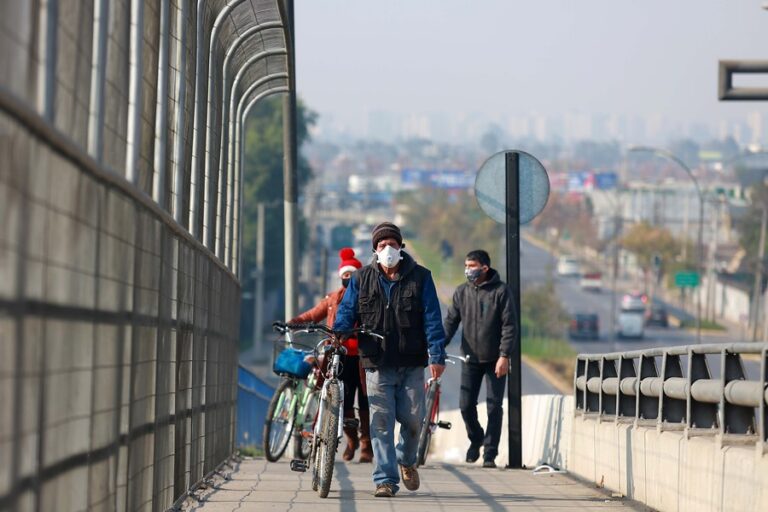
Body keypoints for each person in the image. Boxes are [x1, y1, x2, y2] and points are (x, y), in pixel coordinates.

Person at [334, 222, 446, 498]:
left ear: (401, 247)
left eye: (392, 245)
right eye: (382, 245)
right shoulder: (361, 279)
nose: (387, 249)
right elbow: (347, 311)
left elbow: (432, 317)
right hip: (376, 363)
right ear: (374, 249)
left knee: (412, 421)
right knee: (380, 423)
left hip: (411, 363)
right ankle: (385, 479)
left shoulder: (421, 277)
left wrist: (437, 354)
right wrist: (339, 333)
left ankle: (406, 460)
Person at [289, 248, 373, 463]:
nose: (348, 279)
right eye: (345, 275)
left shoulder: (369, 298)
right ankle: (351, 440)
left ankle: (366, 445)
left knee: (365, 402)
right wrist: (293, 322)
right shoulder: (333, 298)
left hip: (364, 356)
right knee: (342, 401)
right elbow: (313, 314)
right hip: (339, 354)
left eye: (352, 275)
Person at [443, 249, 515, 469]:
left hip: (496, 360)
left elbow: (509, 325)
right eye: (466, 265)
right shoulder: (461, 292)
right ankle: (476, 439)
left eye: (472, 266)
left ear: (484, 267)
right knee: (466, 405)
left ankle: (490, 453)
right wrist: (438, 346)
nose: (468, 270)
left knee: (494, 407)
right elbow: (450, 323)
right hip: (470, 358)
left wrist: (504, 356)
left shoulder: (501, 292)